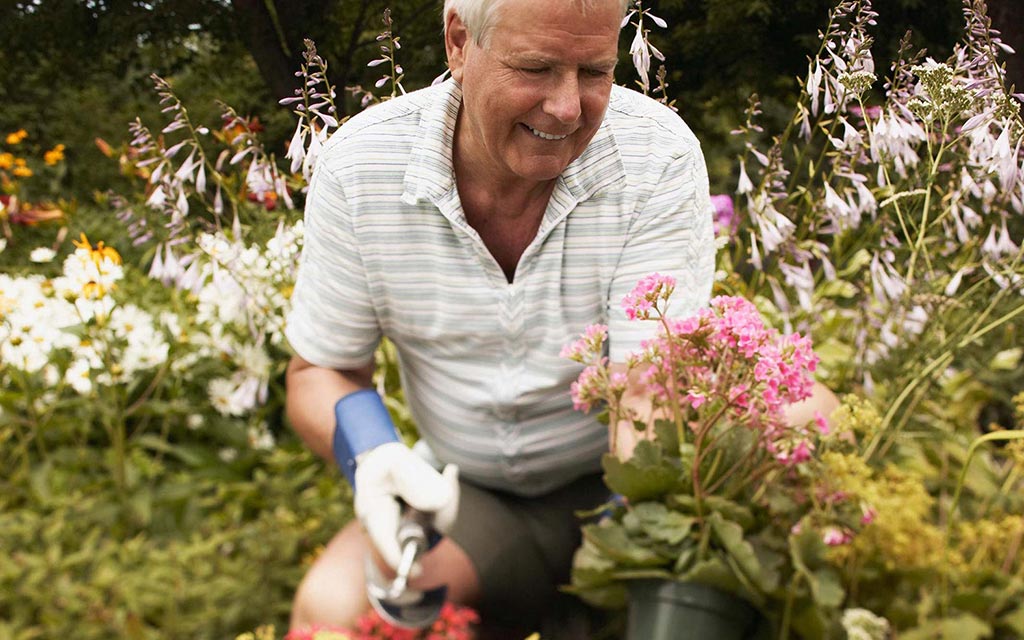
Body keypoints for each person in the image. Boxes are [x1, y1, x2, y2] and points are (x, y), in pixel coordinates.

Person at [283, 0, 724, 634]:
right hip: (468, 497)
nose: (568, 107)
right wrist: (374, 453)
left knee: (804, 414)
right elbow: (320, 370)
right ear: (459, 42)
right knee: (332, 614)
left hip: (617, 483)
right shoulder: (361, 169)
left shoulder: (654, 158)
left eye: (595, 71)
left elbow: (647, 393)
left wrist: (649, 539)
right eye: (537, 67)